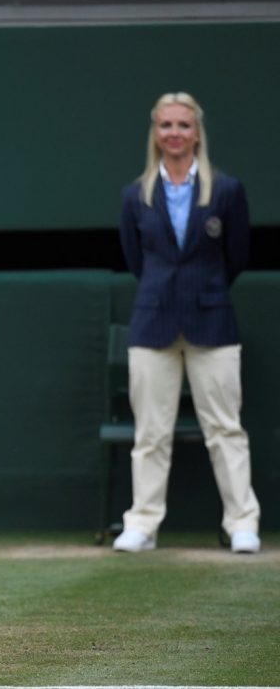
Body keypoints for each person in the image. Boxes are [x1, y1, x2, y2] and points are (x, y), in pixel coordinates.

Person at [114, 91, 261, 554]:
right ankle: (141, 524)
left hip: (212, 323)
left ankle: (242, 523)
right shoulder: (136, 194)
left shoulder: (227, 190)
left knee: (225, 428)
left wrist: (202, 292)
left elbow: (236, 256)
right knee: (150, 432)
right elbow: (138, 260)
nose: (173, 134)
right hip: (153, 323)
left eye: (182, 125)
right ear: (155, 133)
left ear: (197, 132)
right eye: (165, 125)